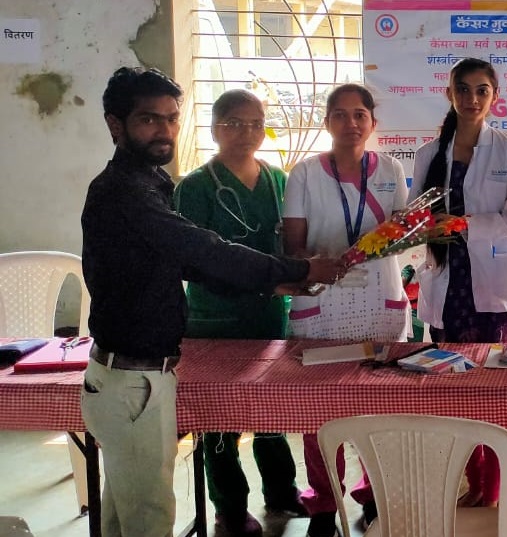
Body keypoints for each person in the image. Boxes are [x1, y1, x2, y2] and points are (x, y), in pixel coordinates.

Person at [80, 66, 342, 537]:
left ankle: (279, 489)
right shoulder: (126, 193)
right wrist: (300, 270)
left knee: (127, 513)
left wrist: (275, 285)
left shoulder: (151, 182)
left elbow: (188, 264)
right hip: (131, 377)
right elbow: (206, 251)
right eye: (148, 119)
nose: (164, 130)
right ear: (115, 124)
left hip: (147, 370)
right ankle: (230, 507)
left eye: (171, 118)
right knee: (149, 516)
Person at [172, 89, 306, 536]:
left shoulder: (278, 180)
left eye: (256, 123)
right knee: (217, 417)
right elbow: (192, 262)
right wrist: (264, 281)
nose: (246, 132)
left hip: (268, 316)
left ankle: (282, 490)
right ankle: (229, 507)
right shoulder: (195, 188)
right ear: (214, 129)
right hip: (215, 317)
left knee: (271, 407)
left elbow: (287, 245)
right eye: (234, 123)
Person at [281, 83, 411, 537]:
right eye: (340, 114)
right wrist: (327, 260)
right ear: (327, 122)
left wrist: (374, 247)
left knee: (381, 404)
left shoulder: (391, 169)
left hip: (379, 300)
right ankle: (323, 502)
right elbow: (293, 246)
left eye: (360, 114)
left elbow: (404, 234)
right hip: (323, 300)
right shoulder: (304, 174)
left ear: (373, 123)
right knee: (319, 409)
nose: (350, 123)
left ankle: (373, 491)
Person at [411, 57, 507, 508]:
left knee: (493, 387)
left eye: (482, 90)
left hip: (493, 287)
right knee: (453, 386)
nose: (472, 98)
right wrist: (422, 226)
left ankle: (494, 482)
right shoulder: (429, 154)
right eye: (463, 89)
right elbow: (415, 217)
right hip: (448, 283)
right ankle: (471, 476)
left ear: (494, 97)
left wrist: (461, 224)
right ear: (449, 94)